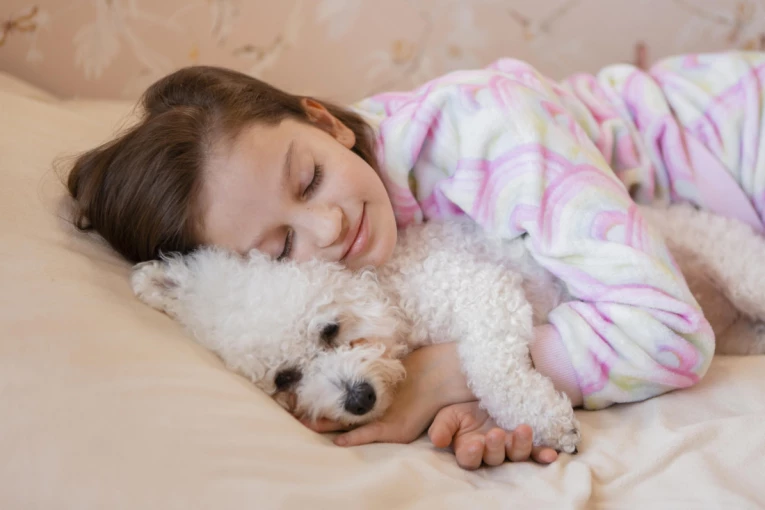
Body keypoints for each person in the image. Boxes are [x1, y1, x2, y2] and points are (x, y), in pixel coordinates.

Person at [65, 50, 765, 469]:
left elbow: (668, 332)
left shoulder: (487, 133)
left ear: (325, 122)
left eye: (308, 179)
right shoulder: (366, 279)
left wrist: (446, 375)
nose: (328, 224)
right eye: (280, 248)